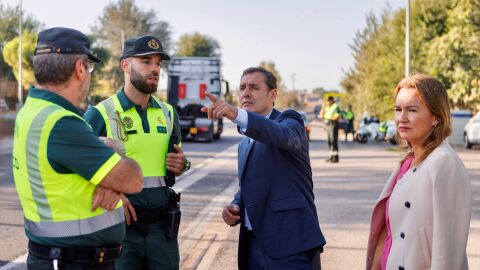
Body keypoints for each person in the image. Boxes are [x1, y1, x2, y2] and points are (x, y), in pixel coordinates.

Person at [12, 27, 143, 270]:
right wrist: (115, 159)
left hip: (57, 257)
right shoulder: (62, 124)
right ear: (80, 69)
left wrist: (105, 160)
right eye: (89, 68)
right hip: (72, 261)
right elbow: (134, 179)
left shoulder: (35, 111)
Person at [201, 67, 325, 270]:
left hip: (290, 246)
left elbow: (282, 136)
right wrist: (236, 206)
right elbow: (251, 185)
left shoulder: (289, 121)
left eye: (254, 87)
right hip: (253, 246)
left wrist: (235, 113)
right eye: (242, 88)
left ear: (273, 94)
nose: (246, 93)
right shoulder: (244, 144)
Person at [84, 35, 190, 270]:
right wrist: (109, 191)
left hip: (163, 231)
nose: (154, 69)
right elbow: (76, 170)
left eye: (158, 63)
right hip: (121, 230)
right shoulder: (100, 114)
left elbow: (178, 163)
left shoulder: (169, 113)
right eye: (146, 61)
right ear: (125, 65)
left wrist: (183, 165)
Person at [366, 74, 471, 270]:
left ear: (436, 117)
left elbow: (447, 249)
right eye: (398, 110)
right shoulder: (408, 161)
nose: (401, 118)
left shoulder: (444, 162)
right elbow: (389, 231)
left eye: (412, 110)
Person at [320, 96, 340, 162]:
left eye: (328, 101)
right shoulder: (327, 107)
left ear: (331, 100)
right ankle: (331, 156)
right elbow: (321, 115)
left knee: (333, 140)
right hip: (328, 125)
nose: (327, 102)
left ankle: (335, 157)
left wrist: (329, 118)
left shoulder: (335, 106)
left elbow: (337, 116)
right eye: (327, 101)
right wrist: (323, 107)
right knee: (329, 141)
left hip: (333, 124)